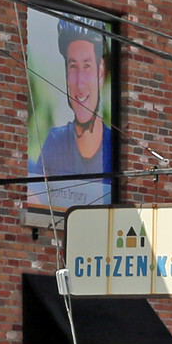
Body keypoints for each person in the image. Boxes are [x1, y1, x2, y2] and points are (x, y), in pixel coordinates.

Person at [31, 17, 114, 206]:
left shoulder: (115, 148)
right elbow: (33, 198)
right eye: (73, 67)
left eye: (87, 66)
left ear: (100, 75)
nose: (79, 82)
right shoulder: (55, 141)